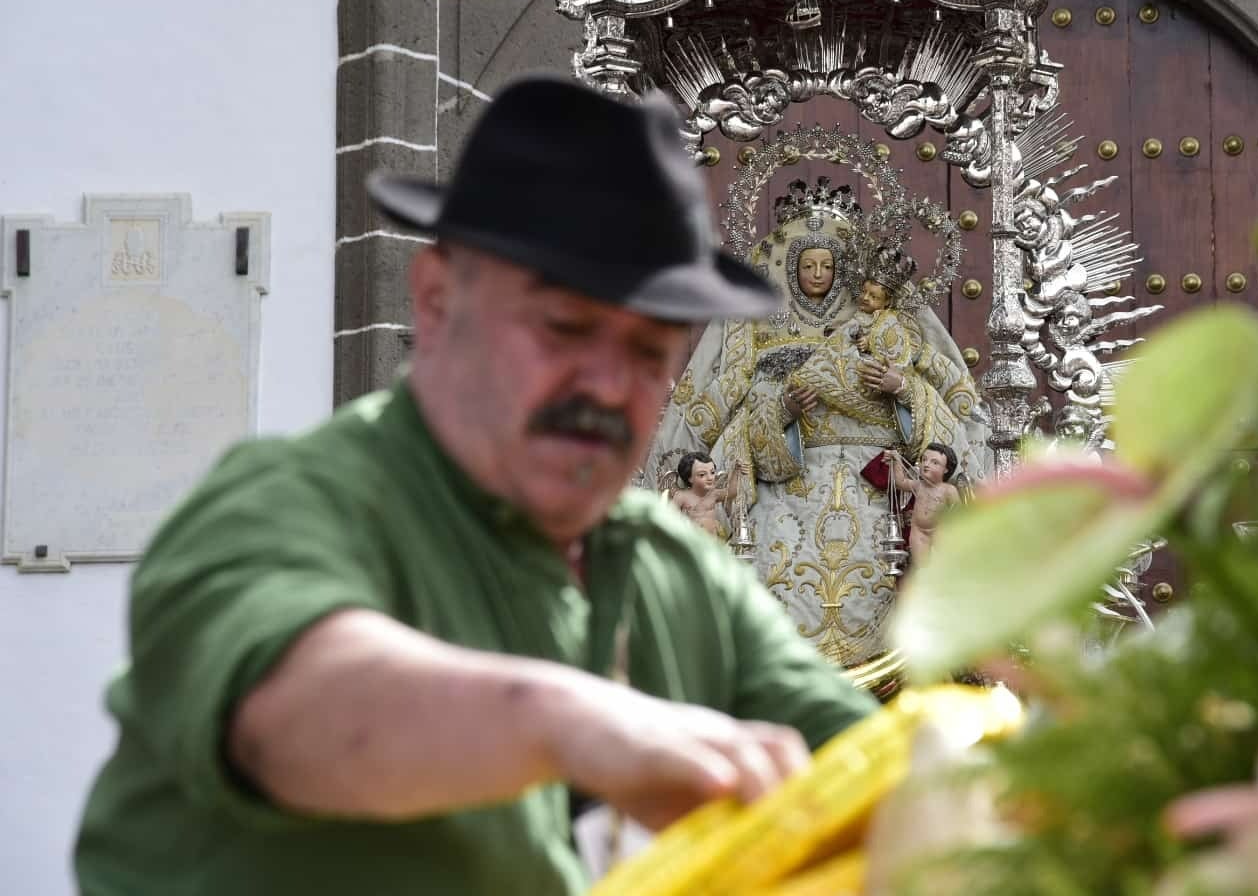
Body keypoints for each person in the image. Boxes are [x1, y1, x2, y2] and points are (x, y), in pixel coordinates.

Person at [73, 77, 879, 896]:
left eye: (649, 354)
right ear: (435, 300)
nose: (609, 385)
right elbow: (288, 713)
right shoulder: (284, 504)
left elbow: (882, 773)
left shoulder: (677, 572)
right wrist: (570, 723)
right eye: (565, 326)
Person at [646, 176, 989, 669]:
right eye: (807, 264)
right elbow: (739, 420)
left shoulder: (889, 325)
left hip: (878, 493)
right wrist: (783, 411)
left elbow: (944, 413)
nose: (818, 274)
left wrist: (902, 389)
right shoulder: (757, 327)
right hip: (786, 495)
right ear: (788, 267)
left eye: (829, 265)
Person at [884, 443, 961, 565]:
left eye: (934, 462)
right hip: (918, 532)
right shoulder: (918, 485)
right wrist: (897, 460)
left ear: (946, 469)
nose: (926, 464)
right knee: (920, 565)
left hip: (939, 531)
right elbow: (900, 482)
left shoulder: (948, 490)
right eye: (924, 460)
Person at [670, 449, 741, 539]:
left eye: (712, 472)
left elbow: (732, 492)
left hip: (713, 540)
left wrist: (736, 471)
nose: (710, 478)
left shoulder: (714, 495)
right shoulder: (682, 496)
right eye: (702, 475)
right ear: (689, 478)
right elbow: (669, 517)